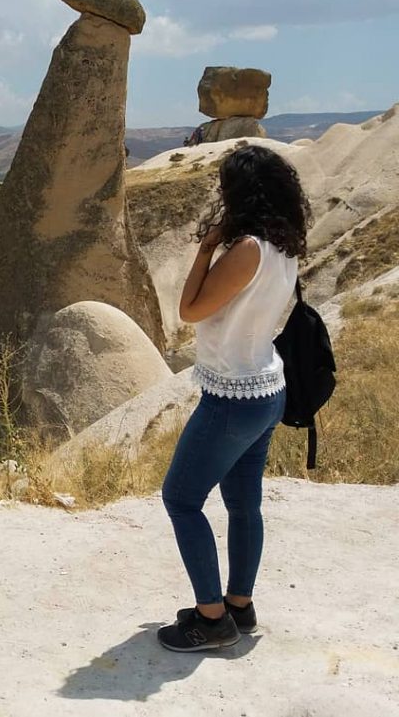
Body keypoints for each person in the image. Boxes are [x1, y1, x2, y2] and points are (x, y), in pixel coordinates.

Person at [158, 145, 312, 652]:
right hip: (267, 388)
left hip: (232, 396)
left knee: (181, 499)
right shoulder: (285, 244)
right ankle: (239, 606)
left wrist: (205, 249)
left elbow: (189, 310)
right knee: (244, 505)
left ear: (240, 193)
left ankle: (212, 618)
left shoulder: (246, 248)